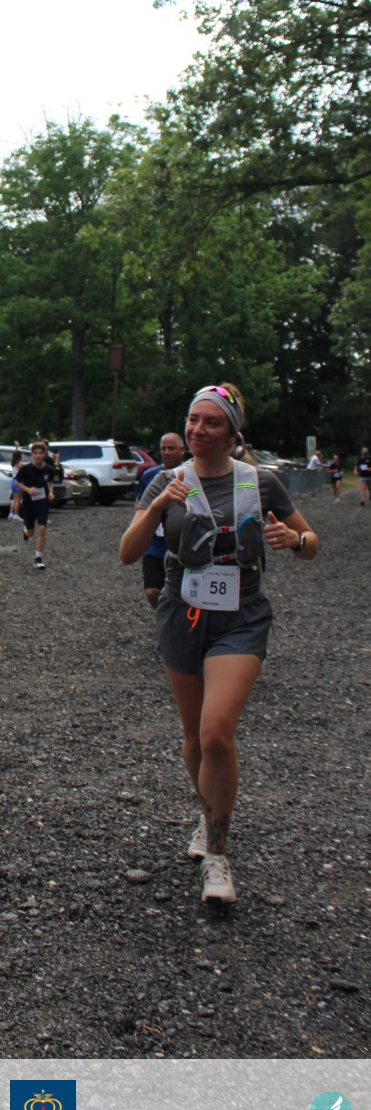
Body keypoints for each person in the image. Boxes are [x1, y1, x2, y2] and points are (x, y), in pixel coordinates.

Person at [120, 382, 318, 907]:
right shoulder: (165, 480)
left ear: (233, 434)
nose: (198, 430)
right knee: (193, 735)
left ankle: (217, 855)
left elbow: (311, 544)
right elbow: (127, 552)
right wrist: (158, 505)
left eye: (211, 422)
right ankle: (208, 815)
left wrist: (294, 540)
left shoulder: (261, 481)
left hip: (240, 618)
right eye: (193, 420)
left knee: (215, 734)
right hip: (181, 614)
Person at [137, 432, 186, 609]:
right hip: (155, 543)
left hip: (180, 541)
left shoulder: (191, 473)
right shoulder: (150, 475)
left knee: (181, 589)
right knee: (152, 590)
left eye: (171, 448)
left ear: (182, 450)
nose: (166, 452)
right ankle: (162, 614)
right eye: (163, 449)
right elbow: (139, 503)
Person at [14, 440, 56, 568]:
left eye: (40, 453)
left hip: (43, 503)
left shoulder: (49, 469)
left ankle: (38, 558)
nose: (38, 455)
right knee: (30, 532)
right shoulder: (26, 469)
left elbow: (50, 482)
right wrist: (28, 490)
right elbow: (17, 482)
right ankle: (25, 532)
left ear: (44, 454)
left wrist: (51, 493)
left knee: (42, 528)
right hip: (29, 503)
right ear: (32, 455)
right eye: (35, 453)